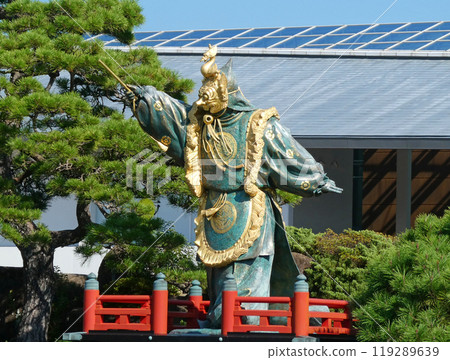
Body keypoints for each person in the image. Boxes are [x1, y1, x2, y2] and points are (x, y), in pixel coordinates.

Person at [126, 45, 342, 328]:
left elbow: (290, 157)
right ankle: (221, 319)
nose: (203, 97)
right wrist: (146, 99)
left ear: (226, 93)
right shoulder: (200, 123)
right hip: (215, 213)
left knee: (247, 279)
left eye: (209, 92)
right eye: (202, 92)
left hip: (251, 211)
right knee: (218, 278)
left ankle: (246, 320)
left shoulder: (260, 124)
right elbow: (174, 116)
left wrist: (316, 179)